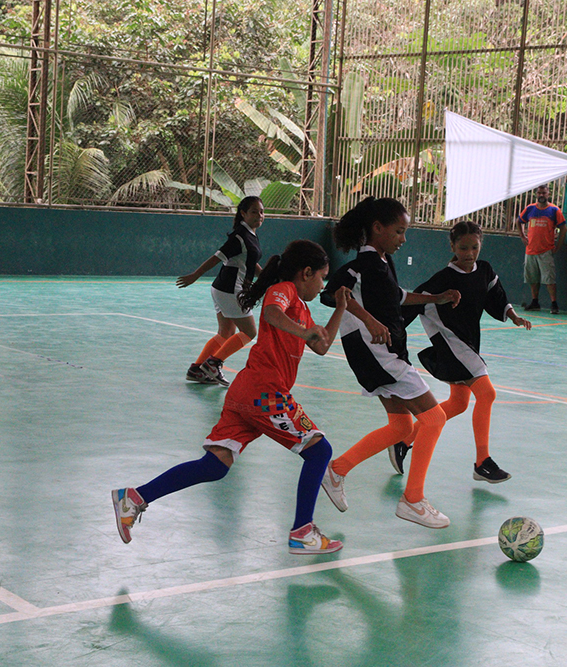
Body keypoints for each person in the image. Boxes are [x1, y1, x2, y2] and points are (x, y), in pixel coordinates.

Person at [114, 240, 351, 554]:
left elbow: (321, 346)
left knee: (215, 465)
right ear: (306, 273)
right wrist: (303, 332)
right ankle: (302, 531)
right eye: (322, 276)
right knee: (320, 453)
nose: (322, 283)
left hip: (244, 394)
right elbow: (271, 311)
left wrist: (341, 310)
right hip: (264, 393)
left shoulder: (303, 310)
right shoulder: (285, 290)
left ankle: (134, 497)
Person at [318, 197, 461, 529]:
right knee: (435, 418)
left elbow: (397, 296)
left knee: (402, 427)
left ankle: (336, 471)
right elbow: (332, 293)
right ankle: (413, 499)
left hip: (385, 353)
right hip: (377, 353)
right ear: (377, 229)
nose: (403, 238)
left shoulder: (382, 264)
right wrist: (368, 320)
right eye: (399, 231)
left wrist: (435, 298)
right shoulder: (361, 265)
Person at [390, 220, 532, 483]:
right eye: (463, 248)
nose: (469, 253)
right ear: (453, 246)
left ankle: (404, 440)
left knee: (458, 403)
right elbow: (412, 302)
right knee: (487, 393)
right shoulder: (442, 280)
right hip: (450, 343)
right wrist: (386, 331)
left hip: (469, 342)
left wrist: (512, 315)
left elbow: (497, 296)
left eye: (474, 248)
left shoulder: (485, 270)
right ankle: (483, 462)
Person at [176, 196, 265, 387]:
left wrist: (265, 276)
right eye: (254, 211)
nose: (259, 215)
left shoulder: (250, 234)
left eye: (261, 212)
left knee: (226, 332)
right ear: (243, 214)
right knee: (249, 331)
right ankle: (213, 364)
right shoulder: (239, 236)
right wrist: (195, 275)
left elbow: (250, 261)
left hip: (222, 289)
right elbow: (217, 257)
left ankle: (197, 369)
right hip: (231, 289)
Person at [517, 184, 565, 314]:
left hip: (546, 251)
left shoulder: (554, 210)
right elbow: (519, 221)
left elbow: (563, 229)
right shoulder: (530, 209)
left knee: (549, 279)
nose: (541, 195)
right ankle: (535, 302)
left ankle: (554, 304)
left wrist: (557, 246)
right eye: (539, 193)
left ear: (548, 194)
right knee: (532, 278)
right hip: (530, 250)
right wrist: (522, 236)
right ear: (536, 194)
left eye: (544, 193)